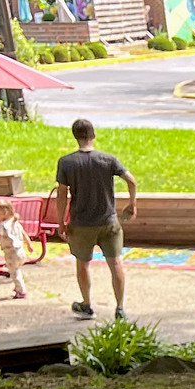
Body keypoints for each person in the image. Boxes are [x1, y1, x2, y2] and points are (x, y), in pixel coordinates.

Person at [51, 118, 136, 320]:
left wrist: (61, 222)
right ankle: (120, 308)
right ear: (94, 135)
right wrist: (132, 204)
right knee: (115, 263)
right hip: (109, 221)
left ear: (74, 136)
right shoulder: (108, 159)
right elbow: (131, 181)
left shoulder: (66, 162)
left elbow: (62, 194)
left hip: (81, 224)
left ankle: (87, 305)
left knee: (83, 263)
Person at [0, 199, 29, 299]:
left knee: (15, 273)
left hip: (11, 253)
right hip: (21, 251)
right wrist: (29, 245)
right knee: (17, 270)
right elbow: (23, 234)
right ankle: (18, 287)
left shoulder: (1, 226)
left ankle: (21, 291)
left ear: (4, 212)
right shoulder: (15, 222)